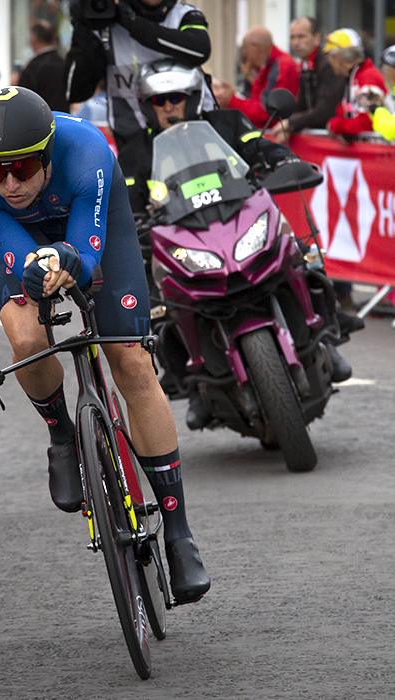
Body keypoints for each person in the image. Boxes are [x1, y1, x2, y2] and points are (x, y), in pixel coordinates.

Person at [0, 87, 211, 605]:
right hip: (24, 240)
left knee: (133, 364)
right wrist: (37, 269)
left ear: (47, 155)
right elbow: (17, 254)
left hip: (91, 225)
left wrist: (72, 262)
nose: (8, 184)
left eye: (22, 169)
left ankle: (179, 534)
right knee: (26, 338)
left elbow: (86, 253)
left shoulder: (87, 151)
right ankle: (62, 434)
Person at [135, 60, 357, 427]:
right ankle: (193, 384)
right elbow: (128, 198)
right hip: (184, 235)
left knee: (299, 255)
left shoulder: (228, 123)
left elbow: (262, 149)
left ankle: (326, 338)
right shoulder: (138, 153)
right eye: (159, 101)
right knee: (162, 302)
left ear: (193, 98)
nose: (168, 106)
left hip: (239, 218)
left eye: (176, 97)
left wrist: (284, 160)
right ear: (147, 106)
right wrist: (127, 221)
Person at [64, 0, 212, 210]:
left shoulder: (184, 15)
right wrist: (82, 28)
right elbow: (74, 91)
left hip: (193, 134)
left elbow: (200, 49)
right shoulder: (107, 23)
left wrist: (133, 23)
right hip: (134, 142)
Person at [270, 17, 346, 144]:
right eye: (292, 37)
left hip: (333, 141)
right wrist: (290, 125)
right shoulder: (306, 65)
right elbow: (302, 106)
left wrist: (290, 123)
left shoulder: (327, 65)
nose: (296, 43)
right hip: (319, 139)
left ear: (316, 38)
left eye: (301, 37)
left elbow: (325, 110)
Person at [213, 27, 300, 128]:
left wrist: (231, 100)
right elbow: (258, 101)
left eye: (245, 49)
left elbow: (267, 111)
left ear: (256, 47)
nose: (244, 55)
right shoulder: (269, 65)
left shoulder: (282, 65)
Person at [324, 28, 386, 139]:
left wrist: (335, 125)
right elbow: (344, 111)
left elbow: (365, 123)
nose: (329, 63)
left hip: (375, 151)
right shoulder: (354, 75)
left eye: (329, 57)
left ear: (339, 59)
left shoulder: (367, 77)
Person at [18, 20, 69, 113]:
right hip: (63, 118)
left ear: (34, 38)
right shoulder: (64, 63)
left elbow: (22, 100)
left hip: (41, 122)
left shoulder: (34, 67)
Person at [370, 45, 395, 140]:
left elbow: (391, 131)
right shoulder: (390, 94)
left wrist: (376, 109)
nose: (382, 72)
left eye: (382, 67)